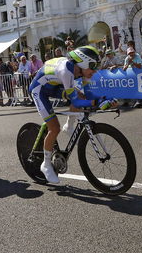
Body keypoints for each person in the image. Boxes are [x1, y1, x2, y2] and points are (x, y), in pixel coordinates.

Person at [28, 46, 113, 183]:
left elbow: (88, 94)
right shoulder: (66, 71)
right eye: (92, 66)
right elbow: (77, 102)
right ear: (83, 63)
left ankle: (69, 125)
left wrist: (105, 98)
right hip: (39, 90)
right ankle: (46, 164)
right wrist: (97, 102)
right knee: (54, 128)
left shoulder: (78, 70)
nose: (95, 70)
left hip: (54, 85)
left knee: (80, 95)